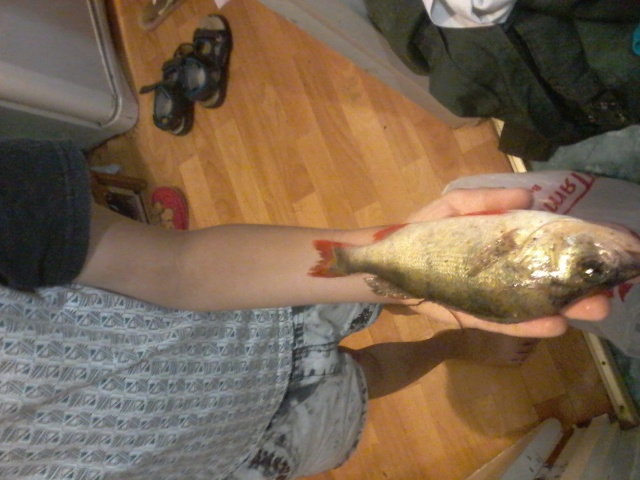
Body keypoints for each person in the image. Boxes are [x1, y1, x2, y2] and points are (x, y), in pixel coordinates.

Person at [0, 139, 609, 479]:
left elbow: (179, 268)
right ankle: (452, 344)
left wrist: (393, 265)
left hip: (226, 317)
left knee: (366, 293)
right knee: (367, 378)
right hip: (219, 451)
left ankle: (421, 307)